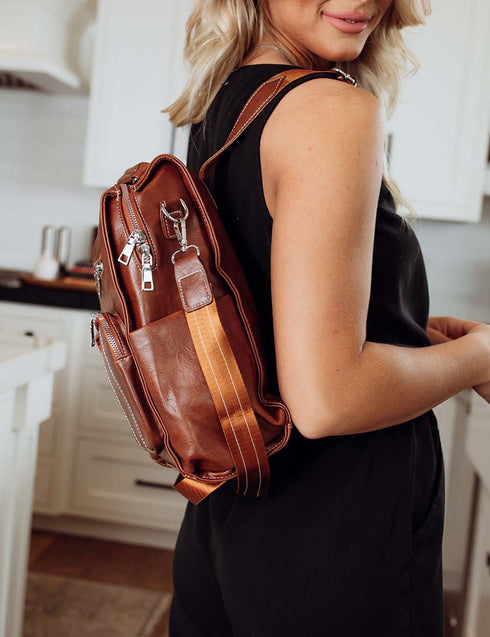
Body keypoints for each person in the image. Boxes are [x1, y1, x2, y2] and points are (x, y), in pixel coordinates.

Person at [163, 1, 490, 635]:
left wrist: (406, 331)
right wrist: (477, 359)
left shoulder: (225, 103)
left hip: (234, 512)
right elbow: (328, 399)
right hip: (336, 533)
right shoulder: (329, 110)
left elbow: (262, 310)